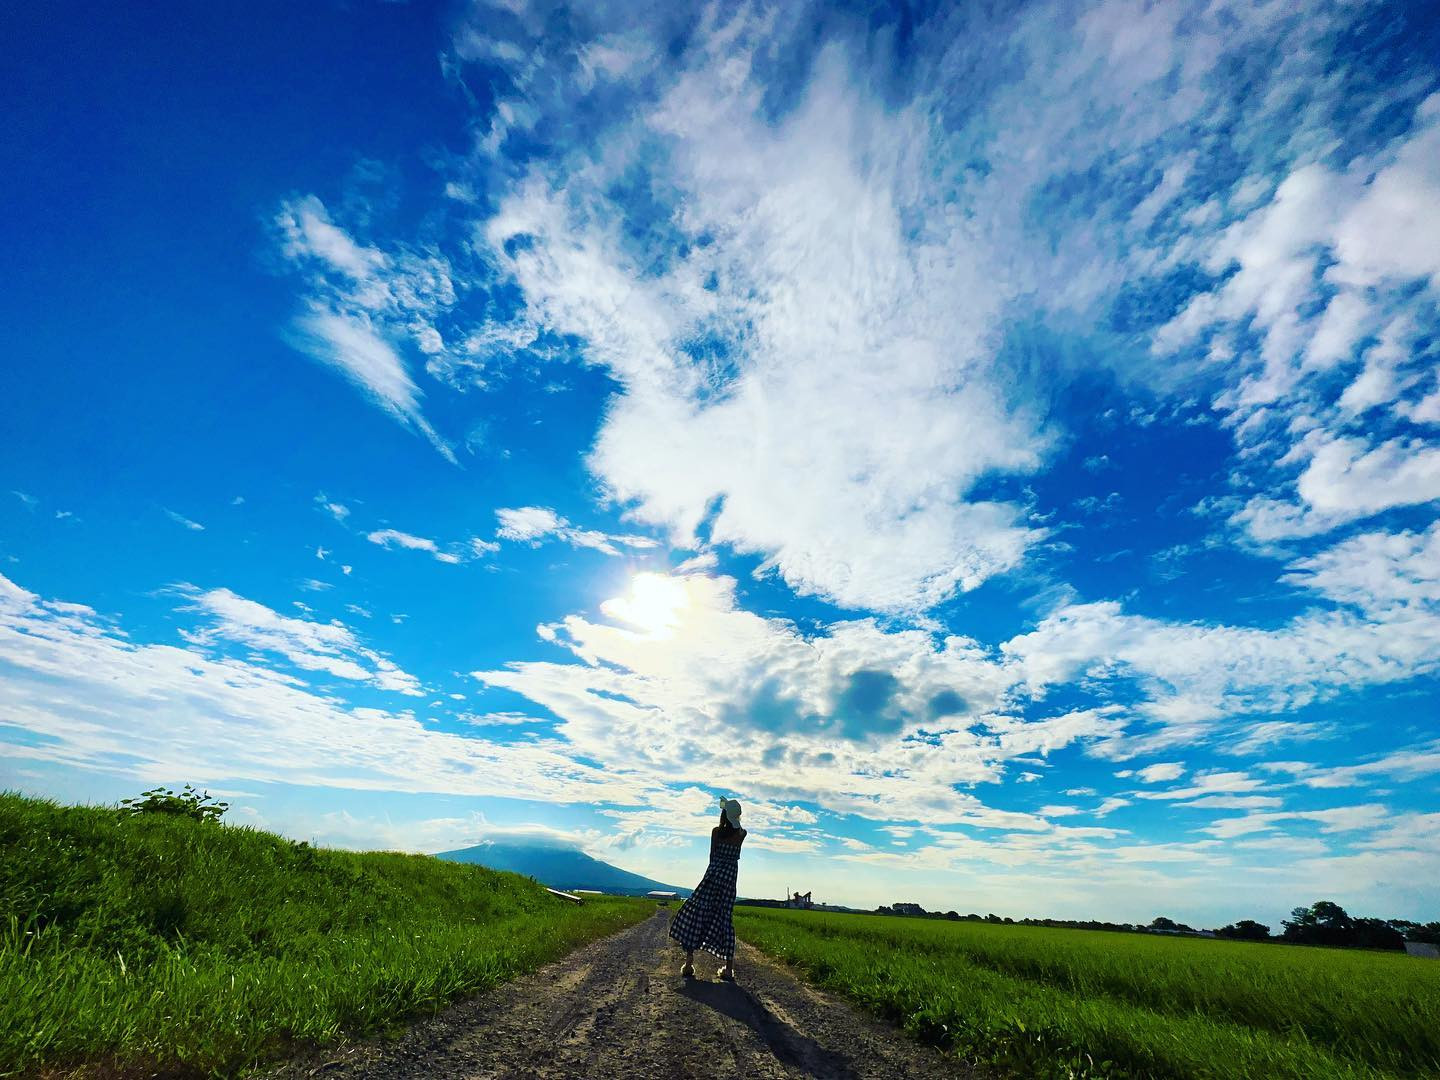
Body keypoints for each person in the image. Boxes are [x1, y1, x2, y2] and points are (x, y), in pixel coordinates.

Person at [668, 796, 746, 980]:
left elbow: (712, 856)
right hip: (729, 880)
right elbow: (735, 854)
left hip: (712, 875)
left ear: (723, 815)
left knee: (696, 911)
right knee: (725, 918)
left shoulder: (715, 832)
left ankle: (688, 963)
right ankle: (728, 968)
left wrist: (711, 873)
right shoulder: (742, 834)